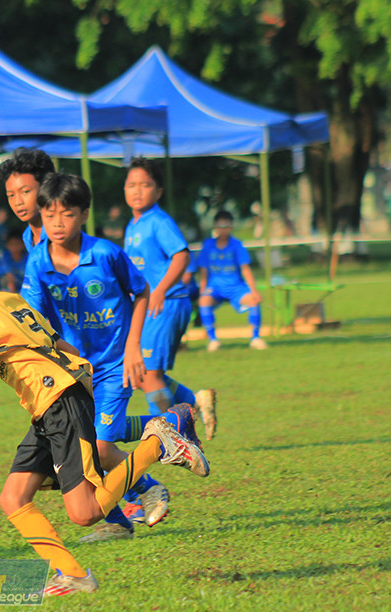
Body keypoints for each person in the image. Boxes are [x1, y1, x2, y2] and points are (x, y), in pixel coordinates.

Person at [0, 216, 209, 595]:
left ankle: (158, 442)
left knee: (85, 512)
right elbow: (60, 346)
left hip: (58, 400)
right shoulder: (4, 299)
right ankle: (72, 575)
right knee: (13, 497)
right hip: (56, 400)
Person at [20, 172, 172, 542]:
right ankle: (119, 519)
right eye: (50, 214)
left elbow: (141, 292)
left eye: (67, 214)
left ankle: (148, 485)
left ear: (84, 214)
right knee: (79, 455)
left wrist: (134, 346)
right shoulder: (38, 262)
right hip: (72, 371)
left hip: (114, 364)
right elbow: (33, 319)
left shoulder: (104, 253)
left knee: (102, 448)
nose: (58, 223)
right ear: (40, 214)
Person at [123, 158, 218, 438]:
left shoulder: (159, 221)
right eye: (131, 185)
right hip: (151, 305)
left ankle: (168, 435)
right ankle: (194, 404)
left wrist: (160, 289)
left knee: (148, 375)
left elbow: (182, 255)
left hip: (166, 303)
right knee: (143, 375)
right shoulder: (134, 224)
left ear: (159, 191)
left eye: (145, 185)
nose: (137, 190)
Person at [197, 210, 267, 351]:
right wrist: (202, 292)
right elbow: (203, 271)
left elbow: (245, 269)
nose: (223, 230)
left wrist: (254, 291)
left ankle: (255, 337)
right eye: (220, 226)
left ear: (231, 227)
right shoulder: (208, 245)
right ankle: (213, 340)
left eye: (226, 226)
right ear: (215, 228)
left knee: (253, 301)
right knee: (204, 301)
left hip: (235, 287)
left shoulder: (236, 245)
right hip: (215, 287)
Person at [0, 148, 56, 252]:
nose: (18, 202)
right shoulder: (27, 237)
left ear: (45, 188)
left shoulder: (60, 233)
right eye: (11, 195)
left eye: (25, 192)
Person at [0, 227, 27, 292]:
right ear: (7, 245)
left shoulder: (28, 258)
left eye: (18, 244)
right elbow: (10, 280)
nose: (15, 247)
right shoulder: (4, 257)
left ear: (24, 244)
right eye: (12, 244)